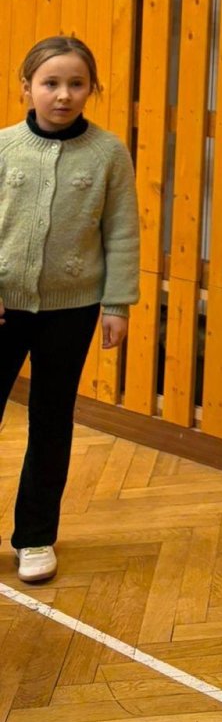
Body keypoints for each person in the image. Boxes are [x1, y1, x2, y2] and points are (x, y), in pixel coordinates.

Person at [0, 36, 139, 584]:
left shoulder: (108, 154)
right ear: (26, 87)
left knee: (51, 420)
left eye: (76, 84)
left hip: (72, 311)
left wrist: (117, 303)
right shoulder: (3, 147)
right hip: (4, 308)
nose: (63, 95)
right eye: (50, 83)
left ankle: (35, 537)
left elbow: (122, 232)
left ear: (91, 89)